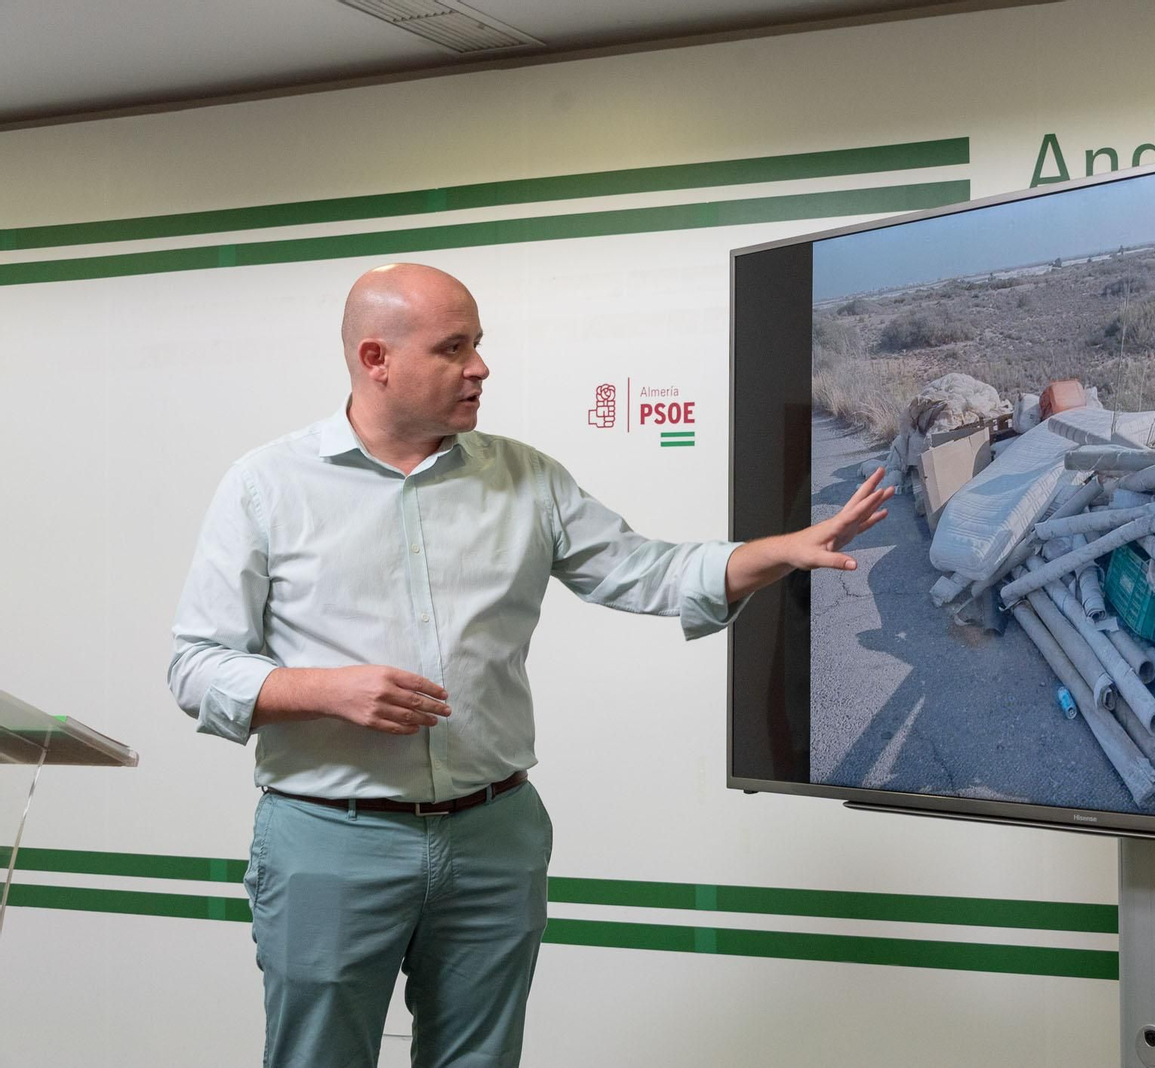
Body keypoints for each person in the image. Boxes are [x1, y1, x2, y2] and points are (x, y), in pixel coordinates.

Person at [167, 262, 891, 1067]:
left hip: (494, 837)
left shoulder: (526, 477)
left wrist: (777, 551)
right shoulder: (266, 486)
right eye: (453, 348)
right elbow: (195, 667)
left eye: (477, 344)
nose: (479, 367)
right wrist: (323, 691)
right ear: (377, 359)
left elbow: (647, 571)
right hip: (330, 839)